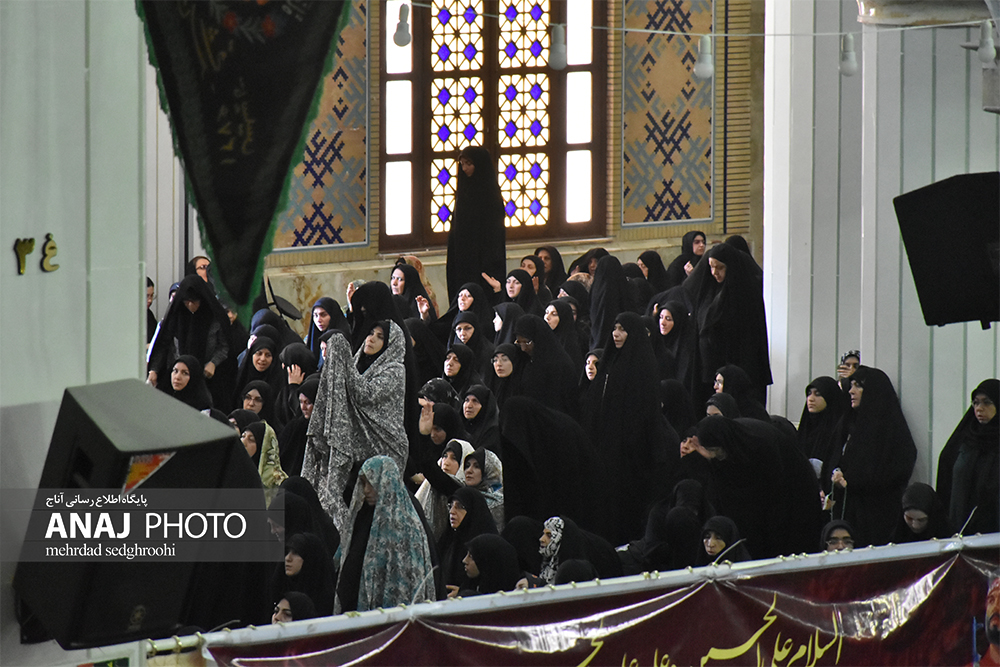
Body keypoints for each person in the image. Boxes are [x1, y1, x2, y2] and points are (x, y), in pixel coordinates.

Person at [302, 321, 408, 528]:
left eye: (380, 337)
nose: (371, 339)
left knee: (376, 514)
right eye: (370, 333)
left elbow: (364, 394)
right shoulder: (357, 363)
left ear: (390, 345)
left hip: (385, 446)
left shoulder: (395, 370)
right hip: (356, 446)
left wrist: (341, 355)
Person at [825, 366, 917, 547]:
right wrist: (836, 474)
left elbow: (898, 468)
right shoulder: (848, 423)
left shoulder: (890, 429)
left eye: (858, 386)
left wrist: (853, 481)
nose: (851, 391)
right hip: (846, 513)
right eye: (851, 385)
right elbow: (833, 457)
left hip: (878, 517)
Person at [335, 456, 436, 612]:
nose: (366, 490)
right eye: (363, 483)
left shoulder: (406, 526)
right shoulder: (363, 518)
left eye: (371, 482)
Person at [683, 243, 772, 405]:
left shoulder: (745, 294)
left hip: (734, 364)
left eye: (720, 267)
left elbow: (749, 340)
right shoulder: (707, 291)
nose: (714, 272)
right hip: (707, 369)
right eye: (711, 267)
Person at [936, 379, 999, 535]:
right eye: (975, 403)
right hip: (961, 528)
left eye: (987, 403)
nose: (979, 408)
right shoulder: (964, 439)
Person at [147, 274, 229, 391]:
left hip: (207, 379)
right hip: (176, 378)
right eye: (186, 301)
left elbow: (224, 346)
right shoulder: (176, 315)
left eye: (194, 301)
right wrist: (154, 370)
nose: (190, 305)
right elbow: (163, 344)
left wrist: (213, 363)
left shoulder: (214, 317)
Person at [446, 145, 506, 303]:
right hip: (462, 257)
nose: (464, 168)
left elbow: (495, 233)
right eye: (462, 164)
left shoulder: (491, 195)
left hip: (485, 258)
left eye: (469, 164)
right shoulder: (463, 193)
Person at [438, 486, 498, 594]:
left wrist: (463, 592)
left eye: (459, 507)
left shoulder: (485, 544)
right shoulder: (448, 540)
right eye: (450, 506)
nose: (452, 511)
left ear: (472, 510)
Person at [269, 532, 335, 616]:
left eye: (296, 553)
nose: (288, 558)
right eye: (287, 552)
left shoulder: (324, 599)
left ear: (310, 558)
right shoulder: (279, 588)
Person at [796, 376, 849, 476]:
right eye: (809, 393)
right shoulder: (805, 429)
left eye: (818, 394)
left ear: (830, 397)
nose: (811, 399)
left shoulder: (838, 432)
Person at [463, 447, 505, 530]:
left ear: (489, 471)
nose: (469, 470)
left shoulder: (500, 503)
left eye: (477, 466)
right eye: (467, 466)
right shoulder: (460, 497)